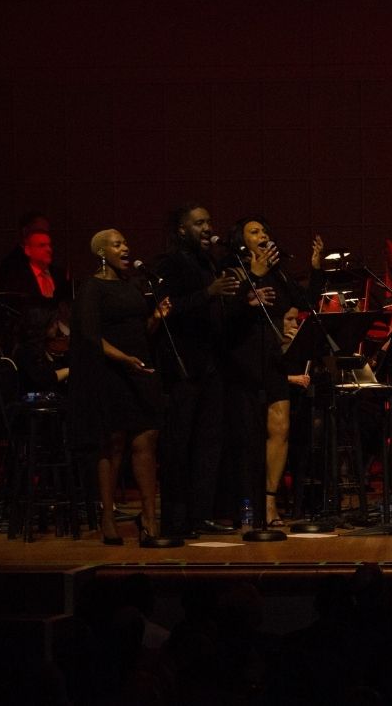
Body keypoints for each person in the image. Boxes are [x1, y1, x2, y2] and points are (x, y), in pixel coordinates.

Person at [70, 229, 182, 547]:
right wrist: (124, 359)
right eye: (117, 244)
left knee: (146, 439)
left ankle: (149, 517)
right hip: (110, 373)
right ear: (102, 252)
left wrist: (157, 318)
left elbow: (142, 330)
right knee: (113, 444)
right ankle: (108, 515)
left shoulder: (133, 285)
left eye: (125, 243)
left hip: (139, 369)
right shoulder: (92, 287)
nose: (126, 247)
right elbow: (90, 336)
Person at [220, 215, 325, 528]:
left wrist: (316, 268)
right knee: (250, 435)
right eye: (254, 232)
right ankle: (246, 504)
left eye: (265, 230)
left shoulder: (278, 273)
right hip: (243, 360)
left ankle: (269, 502)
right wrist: (255, 274)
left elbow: (304, 300)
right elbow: (228, 316)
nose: (263, 235)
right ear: (242, 241)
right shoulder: (233, 270)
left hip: (274, 360)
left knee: (280, 428)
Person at [154, 204, 240, 537]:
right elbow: (168, 308)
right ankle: (176, 519)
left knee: (209, 443)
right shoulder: (171, 263)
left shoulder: (209, 261)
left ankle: (200, 515)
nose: (207, 227)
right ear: (181, 230)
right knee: (180, 444)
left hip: (211, 365)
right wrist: (208, 293)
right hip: (183, 366)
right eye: (199, 223)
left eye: (209, 221)